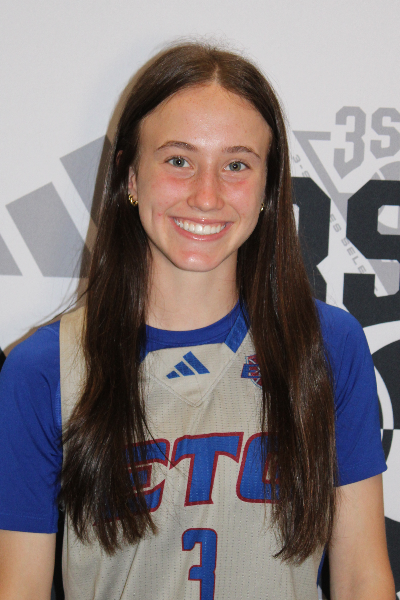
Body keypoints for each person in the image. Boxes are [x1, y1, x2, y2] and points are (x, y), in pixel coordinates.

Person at [0, 42, 395, 600]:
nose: (206, 196)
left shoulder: (326, 346)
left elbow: (361, 579)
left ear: (268, 186)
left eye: (236, 165)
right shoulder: (44, 370)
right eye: (178, 160)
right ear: (130, 176)